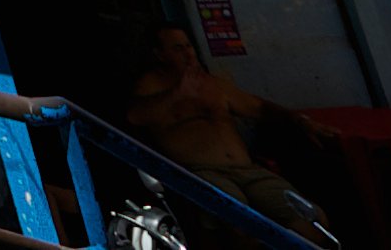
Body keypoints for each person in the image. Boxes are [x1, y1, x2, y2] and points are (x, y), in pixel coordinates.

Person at [125, 24, 337, 245]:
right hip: (204, 173)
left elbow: (259, 108)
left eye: (189, 46)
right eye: (178, 48)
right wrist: (178, 93)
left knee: (314, 221)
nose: (188, 53)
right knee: (238, 223)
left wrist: (300, 121)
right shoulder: (150, 86)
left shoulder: (213, 84)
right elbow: (135, 116)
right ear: (159, 54)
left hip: (248, 171)